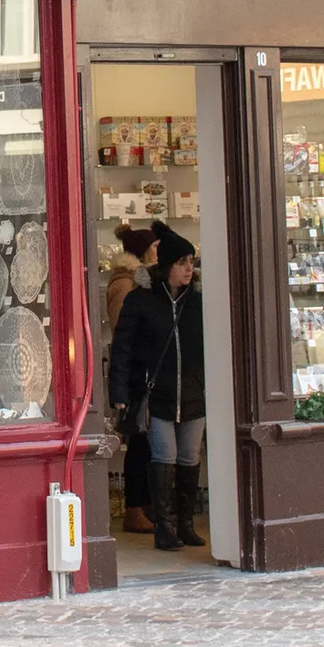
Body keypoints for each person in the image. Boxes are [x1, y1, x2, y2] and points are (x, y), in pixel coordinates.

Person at [108, 223, 205, 551]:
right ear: (166, 266)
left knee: (190, 457)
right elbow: (122, 348)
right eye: (182, 262)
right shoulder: (141, 300)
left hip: (193, 393)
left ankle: (186, 523)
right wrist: (119, 393)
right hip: (156, 395)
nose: (189, 269)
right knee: (165, 454)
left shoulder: (198, 301)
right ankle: (164, 526)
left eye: (192, 261)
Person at [102, 225, 159, 534]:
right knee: (139, 442)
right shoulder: (127, 286)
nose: (158, 252)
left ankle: (145, 506)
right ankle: (135, 509)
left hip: (142, 373)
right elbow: (127, 334)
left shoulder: (136, 282)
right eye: (154, 247)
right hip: (137, 375)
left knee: (147, 442)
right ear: (142, 252)